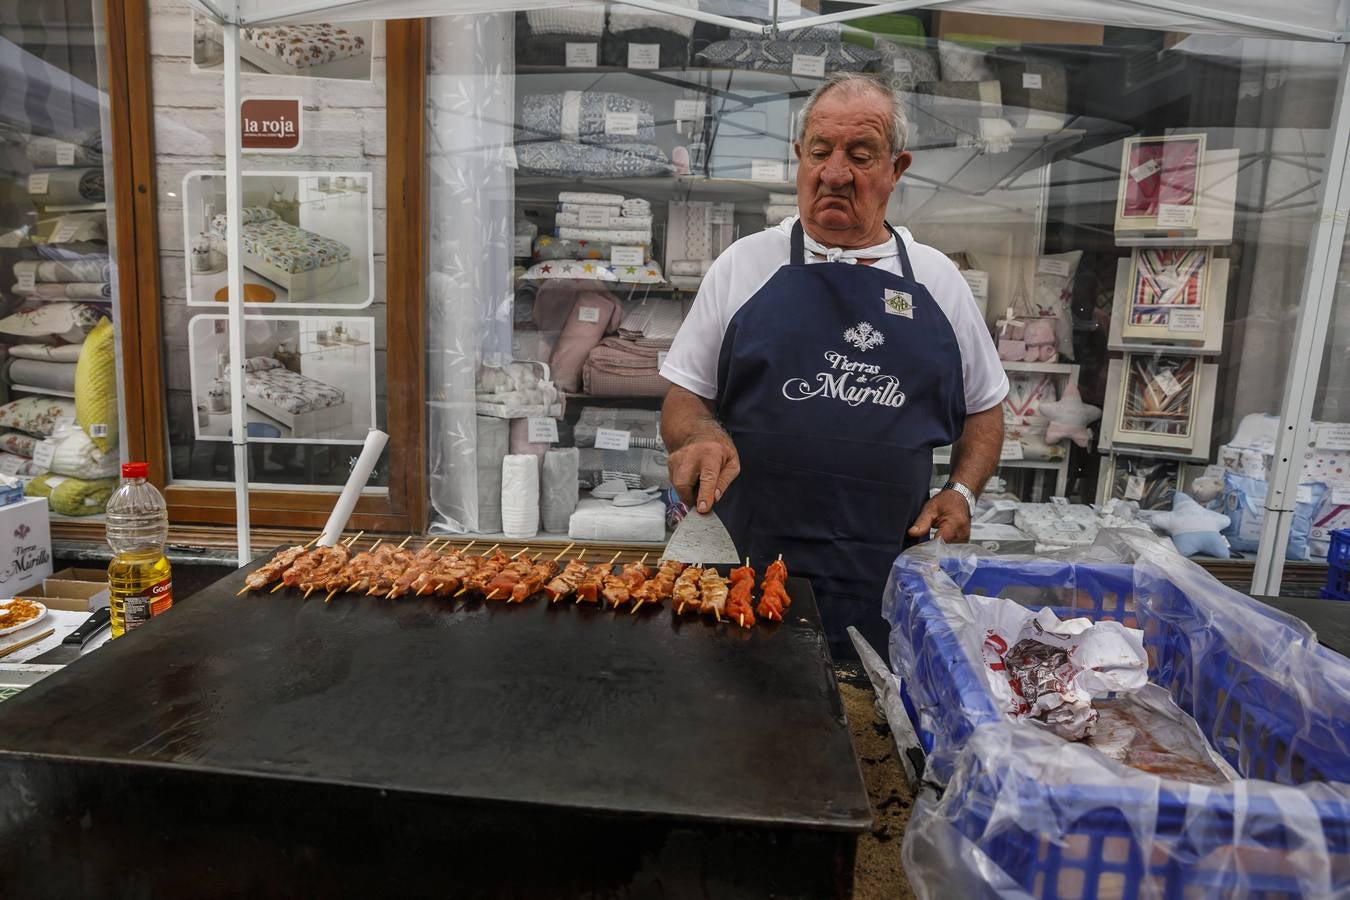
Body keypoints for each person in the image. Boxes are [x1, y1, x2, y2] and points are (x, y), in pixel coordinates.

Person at [658, 72, 1008, 655]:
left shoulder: (937, 280)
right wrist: (697, 434)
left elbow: (985, 411)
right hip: (745, 566)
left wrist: (963, 492)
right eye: (820, 152)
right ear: (800, 158)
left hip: (885, 571)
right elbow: (685, 396)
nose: (835, 173)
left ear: (897, 169)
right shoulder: (744, 265)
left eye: (861, 155)